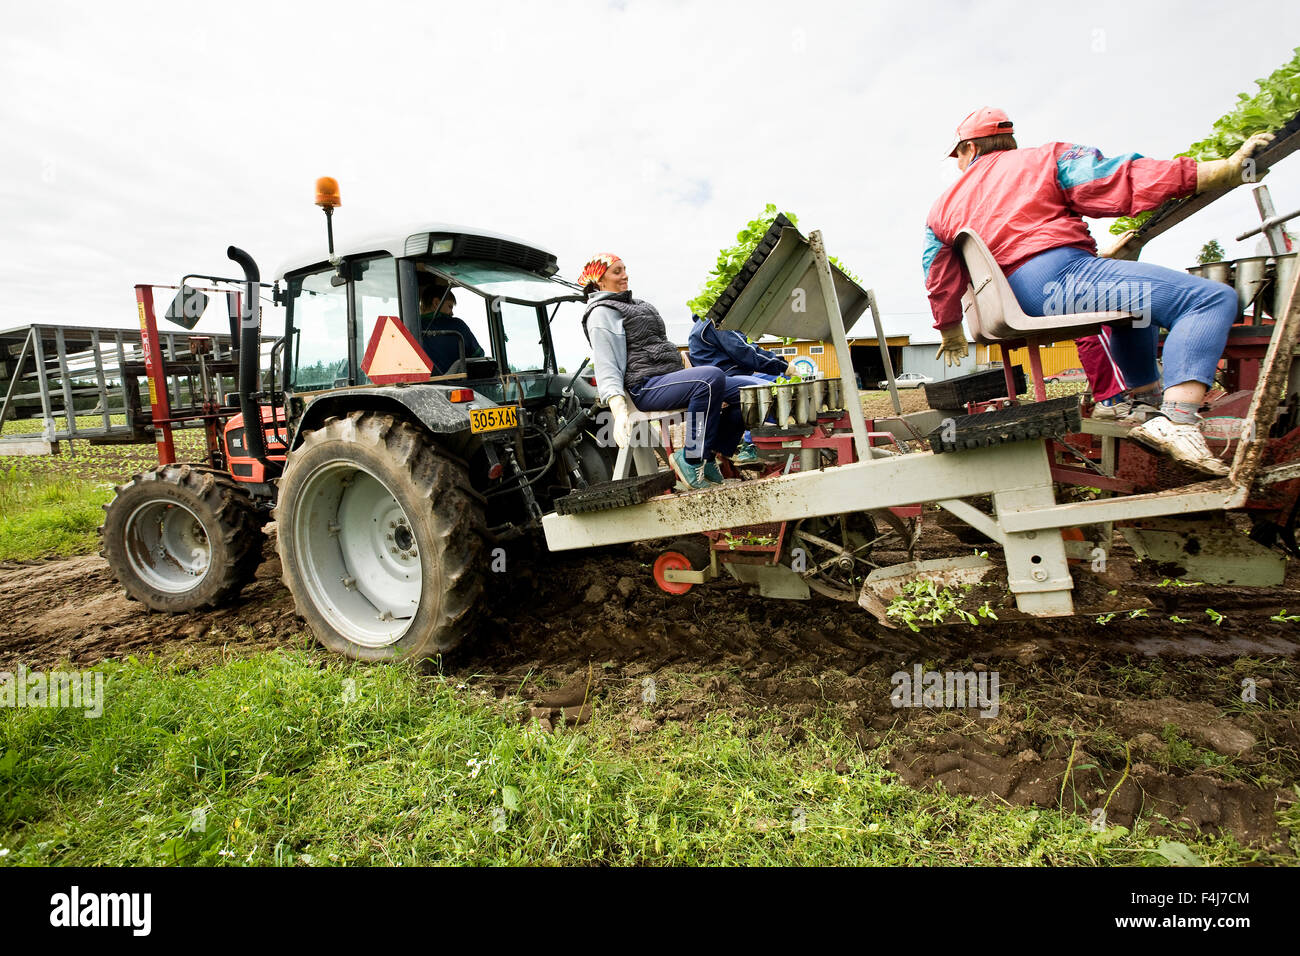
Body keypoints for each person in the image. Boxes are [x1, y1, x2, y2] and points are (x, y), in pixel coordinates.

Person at [923, 106, 1274, 475]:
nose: (959, 164)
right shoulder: (1043, 159)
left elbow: (937, 272)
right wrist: (1221, 171)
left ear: (970, 149)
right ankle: (1179, 421)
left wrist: (949, 329)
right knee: (1209, 300)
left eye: (957, 156)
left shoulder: (941, 207)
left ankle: (1146, 404)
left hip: (1013, 299)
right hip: (1059, 280)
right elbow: (1118, 179)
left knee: (1136, 313)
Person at [579, 253, 747, 489]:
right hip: (644, 387)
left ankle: (709, 453)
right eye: (617, 271)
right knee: (710, 379)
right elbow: (606, 363)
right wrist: (618, 411)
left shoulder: (637, 305)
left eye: (625, 269)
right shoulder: (601, 313)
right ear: (599, 281)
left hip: (667, 378)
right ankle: (692, 458)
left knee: (748, 391)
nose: (625, 275)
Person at [688, 314, 799, 459]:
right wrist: (783, 365)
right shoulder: (715, 323)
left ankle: (782, 423)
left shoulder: (708, 323)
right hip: (726, 379)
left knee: (782, 380)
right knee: (764, 390)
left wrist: (782, 369)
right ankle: (751, 443)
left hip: (733, 375)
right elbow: (745, 351)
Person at [417, 281, 485, 373]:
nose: (452, 313)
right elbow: (478, 356)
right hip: (458, 384)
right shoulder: (457, 325)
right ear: (436, 303)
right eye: (450, 306)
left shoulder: (411, 327)